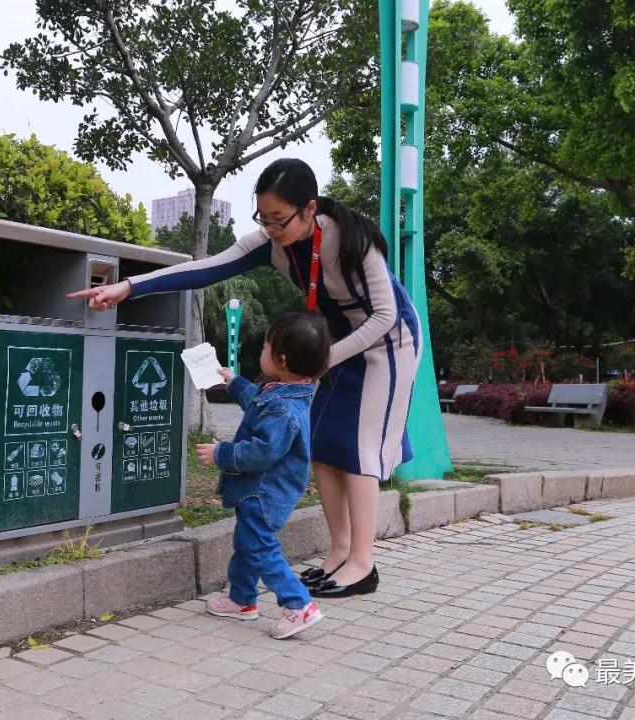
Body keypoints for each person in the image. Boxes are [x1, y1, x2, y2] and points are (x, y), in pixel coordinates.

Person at [67, 158, 422, 598]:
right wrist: (129, 287)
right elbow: (206, 268)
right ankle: (339, 554)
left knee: (360, 447)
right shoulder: (270, 243)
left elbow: (386, 315)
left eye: (280, 219)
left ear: (310, 209)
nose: (270, 228)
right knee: (325, 444)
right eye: (264, 218)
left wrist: (324, 359)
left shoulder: (353, 241)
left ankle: (363, 566)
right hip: (328, 345)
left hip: (388, 342)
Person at [195, 312, 330, 639]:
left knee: (259, 548)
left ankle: (299, 604)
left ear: (281, 359)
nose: (261, 351)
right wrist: (233, 381)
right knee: (247, 543)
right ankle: (242, 599)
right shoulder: (286, 390)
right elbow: (256, 401)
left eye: (265, 347)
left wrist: (222, 453)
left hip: (263, 493)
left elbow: (262, 451)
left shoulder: (284, 409)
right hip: (259, 491)